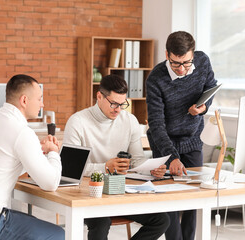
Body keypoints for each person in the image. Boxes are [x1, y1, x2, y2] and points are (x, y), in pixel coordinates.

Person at [63, 74, 170, 240]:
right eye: (113, 103)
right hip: (90, 193)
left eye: (122, 104)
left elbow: (137, 160)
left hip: (120, 192)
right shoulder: (77, 122)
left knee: (161, 220)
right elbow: (71, 170)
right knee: (101, 222)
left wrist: (151, 168)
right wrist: (105, 167)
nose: (118, 109)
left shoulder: (130, 121)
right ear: (99, 96)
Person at [0, 74, 65, 240]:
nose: (42, 104)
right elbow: (51, 183)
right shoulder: (22, 132)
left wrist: (39, 149)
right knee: (58, 234)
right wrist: (53, 152)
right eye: (39, 98)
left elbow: (4, 159)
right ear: (24, 100)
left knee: (32, 221)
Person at [146, 31, 218, 240]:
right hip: (164, 144)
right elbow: (156, 125)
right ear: (167, 54)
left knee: (193, 199)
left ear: (193, 54)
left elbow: (211, 87)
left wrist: (203, 108)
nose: (182, 69)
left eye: (186, 63)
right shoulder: (155, 79)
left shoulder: (202, 61)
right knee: (169, 200)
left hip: (193, 140)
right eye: (176, 63)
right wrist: (172, 157)